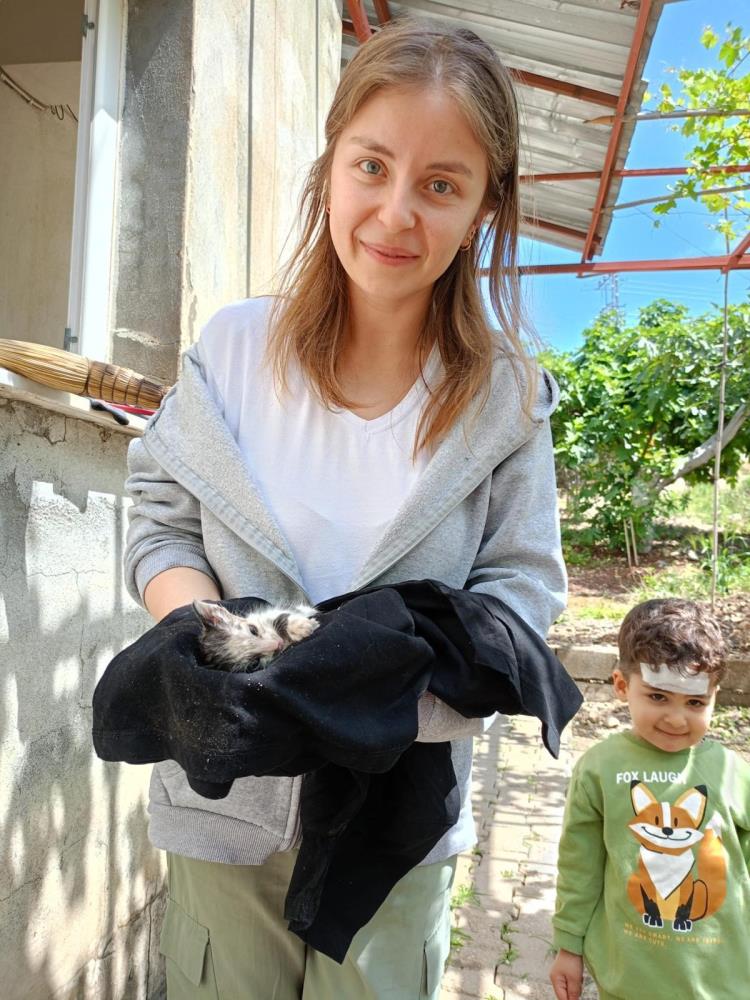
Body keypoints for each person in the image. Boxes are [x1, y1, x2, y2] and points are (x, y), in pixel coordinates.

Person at [124, 19, 566, 1000]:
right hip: (222, 804)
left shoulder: (504, 399)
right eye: (372, 165)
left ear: (484, 206)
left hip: (396, 832)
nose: (395, 212)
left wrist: (373, 704)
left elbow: (522, 591)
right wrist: (208, 640)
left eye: (440, 184)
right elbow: (159, 511)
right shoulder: (234, 352)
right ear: (332, 163)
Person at [550, 598, 750, 1000]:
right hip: (627, 979)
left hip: (723, 980)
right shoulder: (599, 768)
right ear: (622, 686)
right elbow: (580, 863)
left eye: (695, 703)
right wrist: (568, 944)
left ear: (714, 696)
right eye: (658, 697)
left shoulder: (733, 772)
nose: (677, 719)